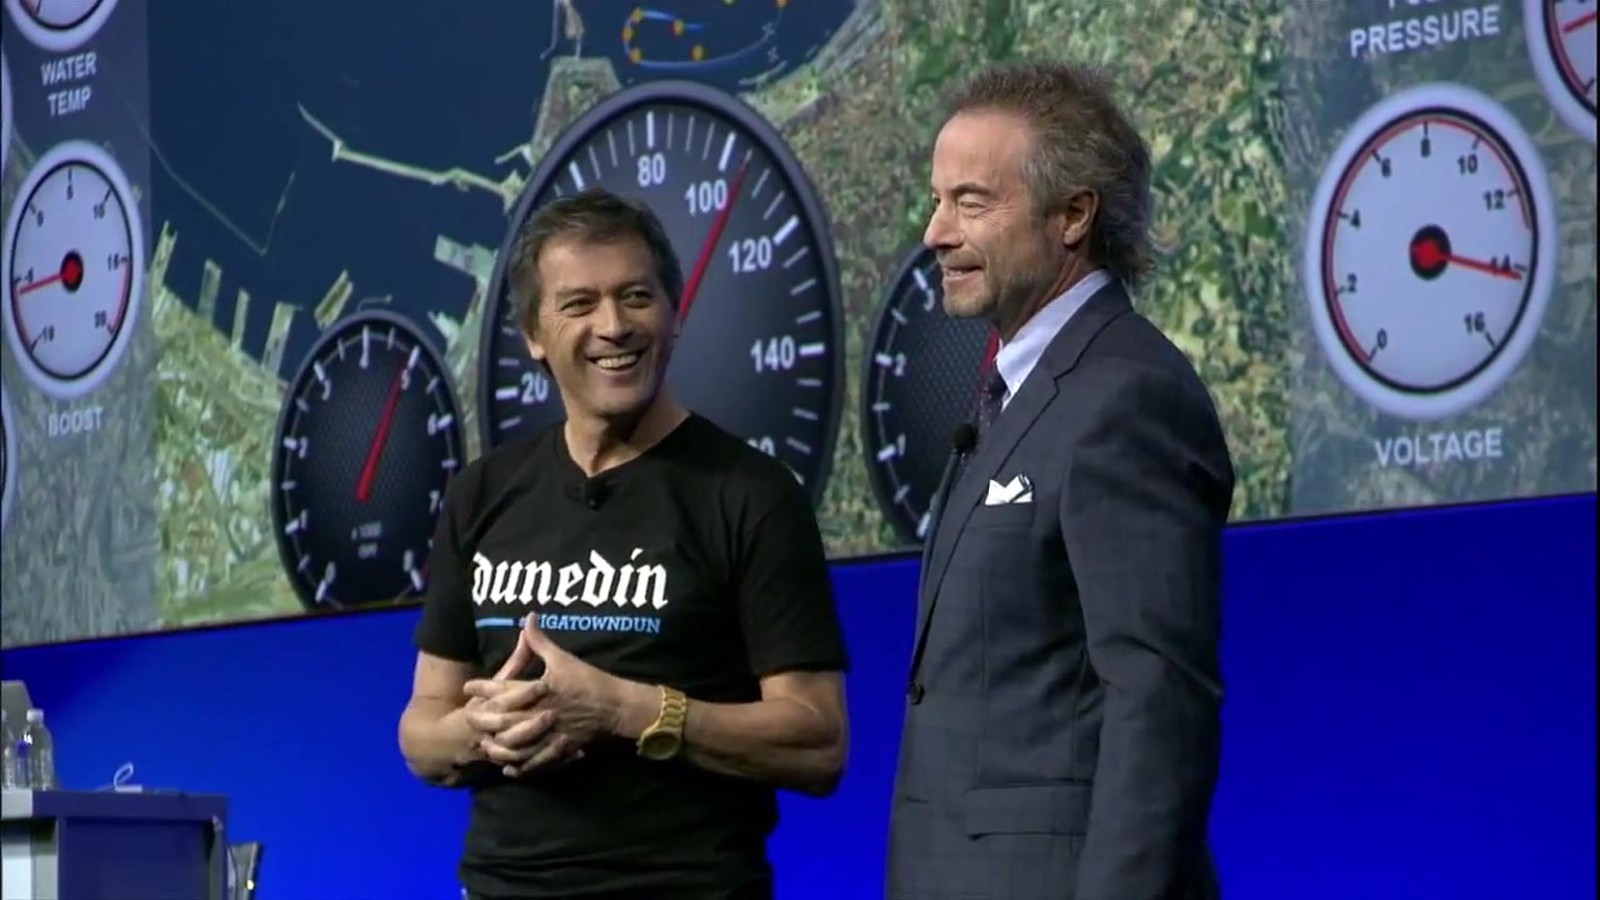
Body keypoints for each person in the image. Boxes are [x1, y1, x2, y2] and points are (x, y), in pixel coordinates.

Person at [399, 186, 850, 900]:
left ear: (674, 314)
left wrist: (624, 710)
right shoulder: (482, 493)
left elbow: (817, 741)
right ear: (534, 334)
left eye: (636, 297)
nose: (613, 326)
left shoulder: (752, 494)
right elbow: (422, 727)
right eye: (579, 304)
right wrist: (480, 730)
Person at [887, 60, 1236, 900]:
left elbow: (1158, 704)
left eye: (971, 202)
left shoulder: (1127, 396)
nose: (935, 232)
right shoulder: (1019, 388)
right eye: (936, 201)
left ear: (1074, 214)